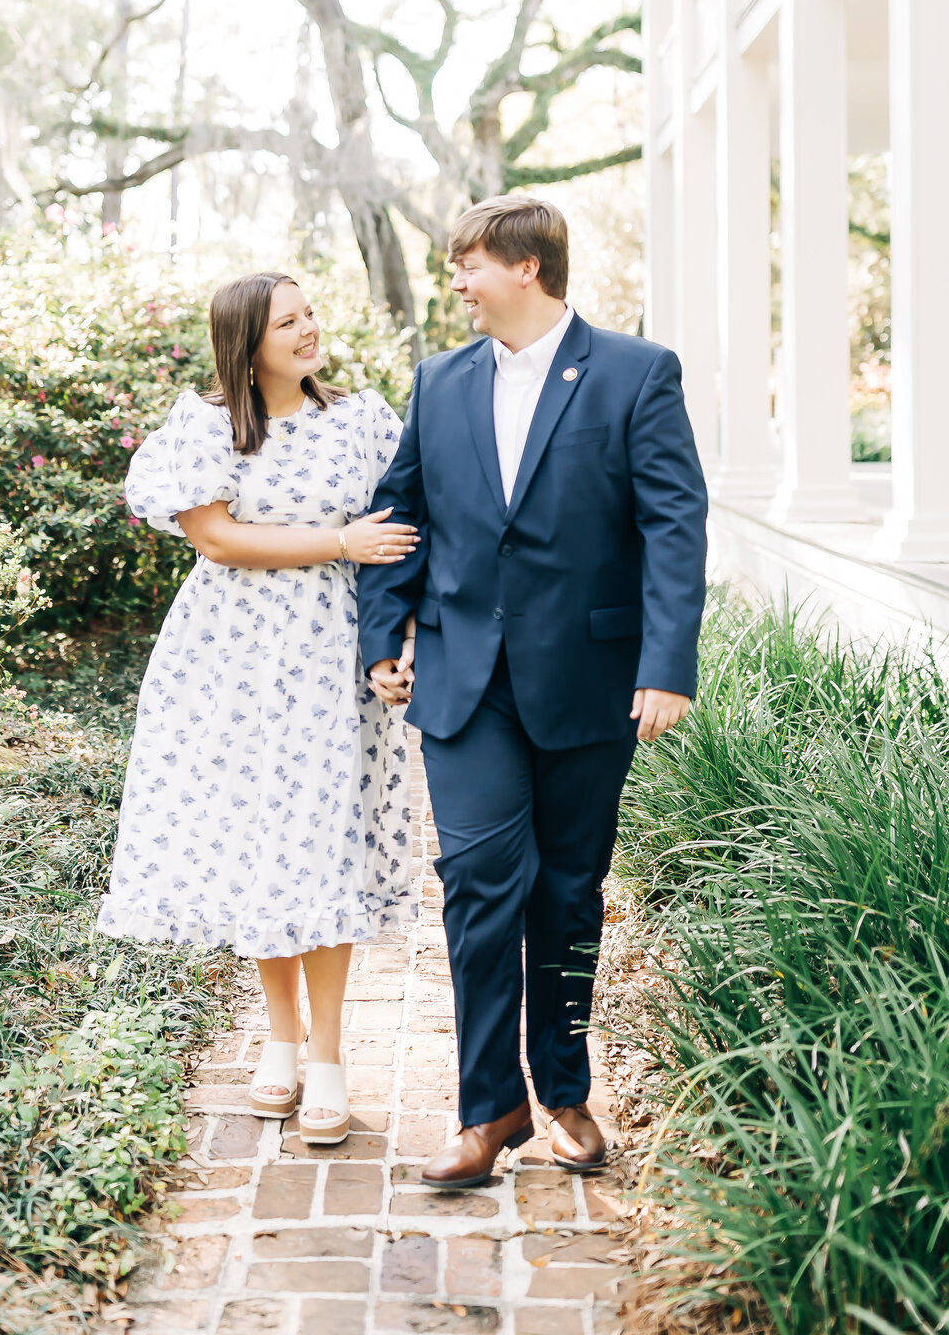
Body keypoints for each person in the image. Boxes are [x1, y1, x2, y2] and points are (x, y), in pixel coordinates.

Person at [359, 195, 707, 1185]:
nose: (456, 284)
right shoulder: (438, 383)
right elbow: (401, 513)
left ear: (526, 268)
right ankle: (489, 1108)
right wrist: (386, 631)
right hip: (467, 684)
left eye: (467, 265)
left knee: (565, 893)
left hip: (591, 679)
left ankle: (561, 1091)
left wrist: (665, 663)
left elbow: (674, 527)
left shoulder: (637, 375)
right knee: (476, 886)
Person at [97, 271, 417, 1145]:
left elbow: (407, 524)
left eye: (311, 313)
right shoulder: (205, 425)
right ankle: (278, 1040)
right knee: (261, 838)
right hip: (229, 658)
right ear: (248, 339)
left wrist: (403, 633)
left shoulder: (363, 417)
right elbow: (216, 537)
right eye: (289, 321)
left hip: (333, 654)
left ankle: (329, 1057)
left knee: (324, 839)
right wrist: (338, 541)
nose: (310, 330)